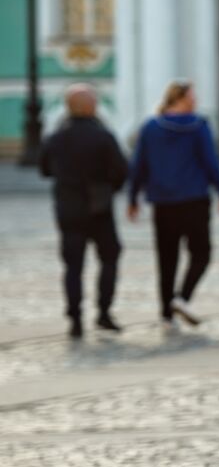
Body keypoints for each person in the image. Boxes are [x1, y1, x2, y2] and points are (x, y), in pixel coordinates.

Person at [127, 80, 219, 331]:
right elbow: (210, 161)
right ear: (179, 98)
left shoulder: (151, 127)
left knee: (166, 258)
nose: (195, 101)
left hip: (163, 202)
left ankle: (166, 314)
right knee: (201, 253)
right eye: (191, 97)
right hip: (194, 199)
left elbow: (139, 164)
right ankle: (182, 298)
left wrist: (133, 197)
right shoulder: (199, 126)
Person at [39, 85, 128, 338]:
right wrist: (110, 188)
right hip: (99, 208)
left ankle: (75, 318)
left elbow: (44, 169)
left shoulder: (55, 138)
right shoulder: (103, 136)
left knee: (72, 266)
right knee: (109, 258)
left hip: (68, 209)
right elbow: (121, 170)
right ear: (92, 107)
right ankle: (104, 312)